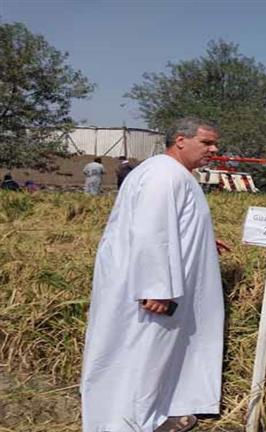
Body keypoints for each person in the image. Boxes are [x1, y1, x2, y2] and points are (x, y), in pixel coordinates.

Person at [81, 118, 231, 432]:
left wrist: (200, 238)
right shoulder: (165, 175)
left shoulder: (166, 172)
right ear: (180, 140)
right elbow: (152, 232)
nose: (214, 149)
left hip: (151, 280)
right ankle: (137, 421)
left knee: (146, 349)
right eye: (207, 143)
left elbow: (165, 223)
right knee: (145, 350)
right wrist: (157, 287)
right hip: (153, 287)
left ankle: (147, 412)